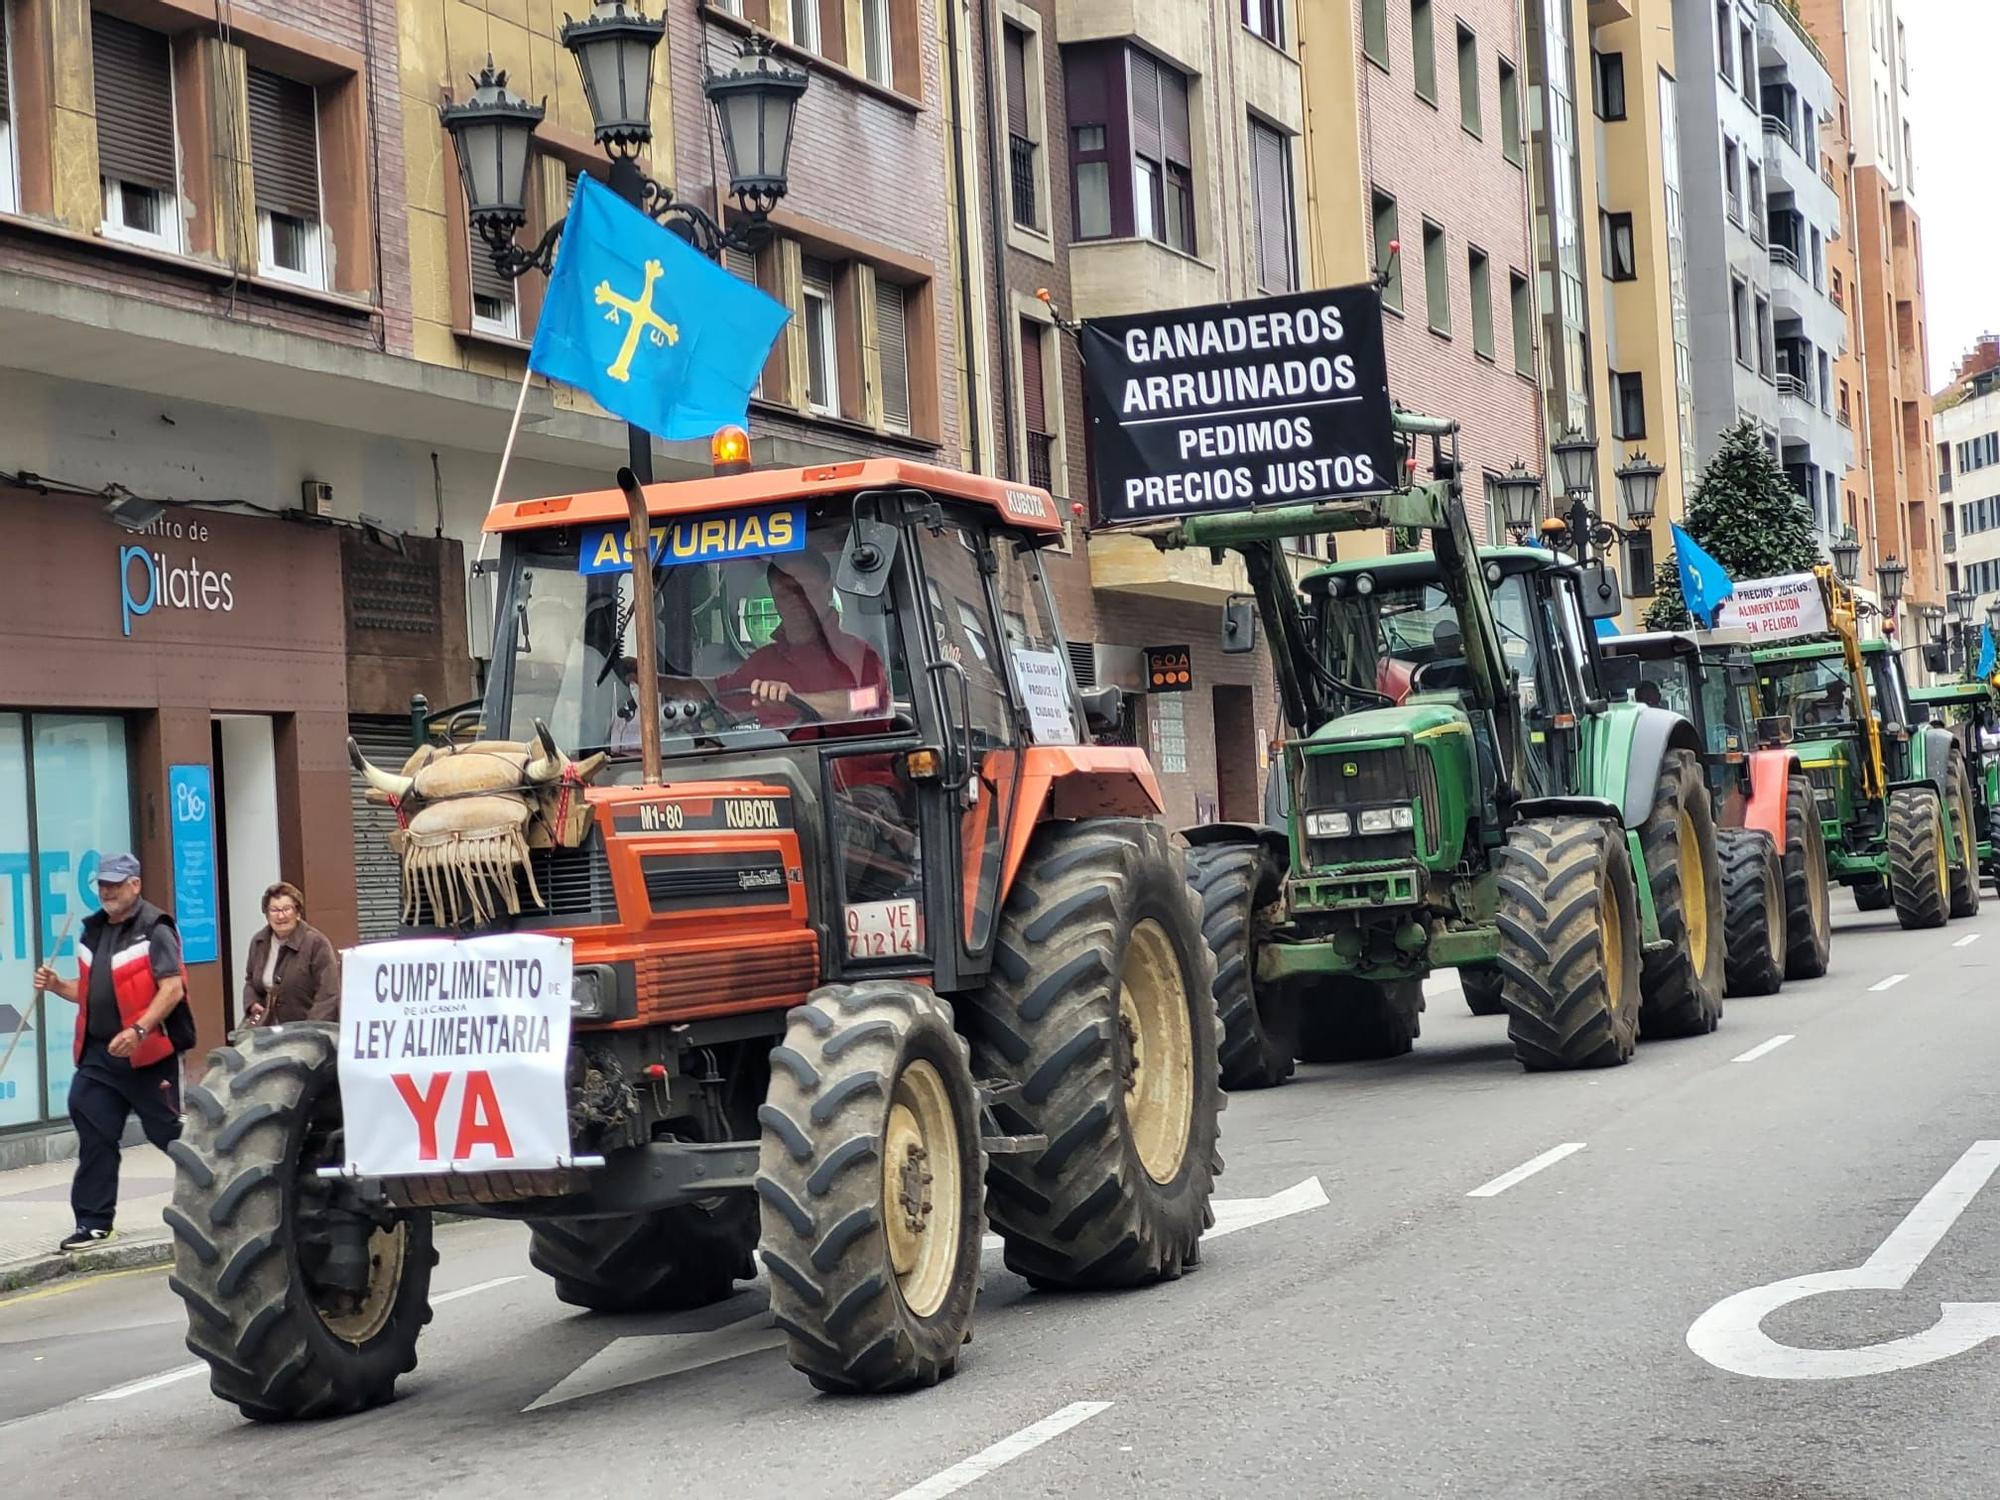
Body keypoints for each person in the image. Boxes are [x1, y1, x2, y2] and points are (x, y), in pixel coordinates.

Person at [32, 853, 193, 1253]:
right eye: (102, 884)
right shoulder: (92, 932)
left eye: (115, 884)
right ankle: (93, 1223)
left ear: (135, 885)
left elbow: (172, 989)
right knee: (93, 1127)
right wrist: (56, 985)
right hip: (100, 1056)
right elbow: (90, 994)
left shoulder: (155, 929)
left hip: (148, 1056)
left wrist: (140, 1029)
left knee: (171, 1135)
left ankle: (216, 1200)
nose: (107, 891)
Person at [716, 549, 887, 721]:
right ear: (774, 599)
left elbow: (869, 700)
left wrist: (793, 700)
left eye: (804, 589)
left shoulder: (859, 654)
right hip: (774, 748)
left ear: (828, 591)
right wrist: (693, 687)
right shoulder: (762, 662)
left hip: (851, 748)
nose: (794, 599)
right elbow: (722, 694)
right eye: (784, 593)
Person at [240, 882, 340, 1027]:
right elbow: (250, 980)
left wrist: (311, 1029)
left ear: (298, 913)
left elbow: (328, 994)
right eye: (274, 910)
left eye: (287, 909)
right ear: (267, 915)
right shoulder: (259, 941)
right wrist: (252, 1003)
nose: (280, 916)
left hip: (304, 1031)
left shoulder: (316, 943)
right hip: (266, 1029)